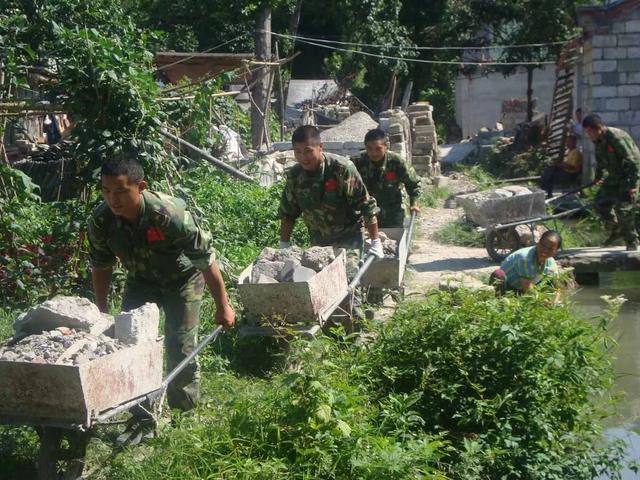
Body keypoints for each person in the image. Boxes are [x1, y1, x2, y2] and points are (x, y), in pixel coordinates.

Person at [88, 155, 235, 414]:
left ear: (141, 187)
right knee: (131, 344)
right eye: (106, 191)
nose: (113, 199)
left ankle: (184, 412)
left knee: (180, 346)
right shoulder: (102, 221)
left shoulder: (168, 214)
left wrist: (223, 305)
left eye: (121, 191)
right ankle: (141, 414)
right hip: (141, 282)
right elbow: (101, 265)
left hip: (183, 281)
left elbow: (205, 259)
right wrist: (101, 312)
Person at [278, 125, 384, 325]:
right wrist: (283, 244)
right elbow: (288, 213)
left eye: (308, 151)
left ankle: (356, 334)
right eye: (298, 152)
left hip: (349, 236)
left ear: (320, 147)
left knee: (346, 282)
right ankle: (330, 331)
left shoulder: (342, 169)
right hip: (319, 242)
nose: (303, 157)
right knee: (322, 285)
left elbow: (367, 206)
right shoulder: (295, 176)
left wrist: (375, 241)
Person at [582, 113, 640, 251]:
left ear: (598, 128)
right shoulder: (598, 140)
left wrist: (634, 185)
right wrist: (598, 177)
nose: (588, 135)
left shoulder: (617, 137)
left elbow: (634, 161)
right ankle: (616, 230)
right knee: (600, 203)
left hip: (628, 177)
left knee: (623, 209)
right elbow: (600, 161)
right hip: (615, 177)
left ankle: (632, 241)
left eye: (589, 131)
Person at [352, 128, 422, 228]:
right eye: (369, 149)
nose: (374, 153)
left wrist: (414, 203)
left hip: (393, 213)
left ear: (386, 146)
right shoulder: (358, 162)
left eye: (378, 148)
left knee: (394, 239)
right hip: (368, 214)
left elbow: (414, 185)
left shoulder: (397, 162)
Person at [490, 230, 561, 302]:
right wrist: (543, 300)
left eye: (550, 249)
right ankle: (500, 302)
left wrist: (554, 302)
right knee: (499, 274)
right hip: (508, 287)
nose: (545, 250)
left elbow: (556, 288)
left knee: (549, 282)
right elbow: (527, 288)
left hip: (522, 289)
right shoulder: (525, 257)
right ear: (539, 243)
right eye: (543, 245)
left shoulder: (551, 263)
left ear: (556, 251)